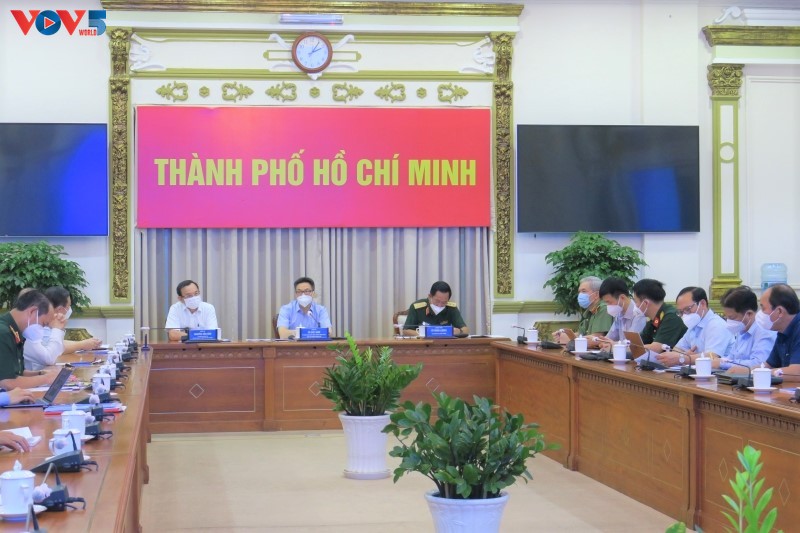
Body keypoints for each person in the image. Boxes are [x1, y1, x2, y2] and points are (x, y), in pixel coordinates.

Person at [24, 286, 102, 371]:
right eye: (68, 307)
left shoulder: (47, 324)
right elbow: (51, 353)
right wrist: (81, 344)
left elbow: (57, 343)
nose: (70, 310)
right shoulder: (36, 326)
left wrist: (84, 343)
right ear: (59, 309)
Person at [657, 286, 733, 367]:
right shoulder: (693, 325)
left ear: (702, 304)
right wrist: (685, 356)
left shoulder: (717, 325)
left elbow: (712, 357)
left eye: (688, 309)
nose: (685, 315)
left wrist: (684, 358)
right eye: (681, 312)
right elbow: (676, 350)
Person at [0, 289, 61, 389]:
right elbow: (7, 383)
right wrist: (47, 379)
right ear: (33, 311)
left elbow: (17, 373)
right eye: (43, 324)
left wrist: (41, 373)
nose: (43, 329)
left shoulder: (16, 331)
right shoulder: (3, 333)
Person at [716, 286, 776, 372]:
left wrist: (723, 363)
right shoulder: (742, 330)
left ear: (749, 314)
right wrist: (720, 361)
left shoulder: (764, 332)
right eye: (726, 317)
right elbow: (731, 358)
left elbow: (760, 364)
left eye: (732, 317)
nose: (729, 321)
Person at [631, 278, 687, 355]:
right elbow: (638, 342)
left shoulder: (671, 317)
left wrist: (625, 347)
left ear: (646, 303)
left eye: (636, 302)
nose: (635, 306)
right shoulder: (654, 319)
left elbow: (656, 348)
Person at [553, 276, 613, 346]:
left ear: (596, 294)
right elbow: (580, 335)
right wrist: (562, 336)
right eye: (579, 292)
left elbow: (596, 339)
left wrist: (571, 339)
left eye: (584, 291)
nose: (580, 295)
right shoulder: (589, 311)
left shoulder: (604, 309)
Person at [759, 284, 800, 383]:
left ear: (780, 311)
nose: (760, 313)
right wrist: (744, 372)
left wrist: (759, 374)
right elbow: (768, 366)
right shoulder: (782, 332)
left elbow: (797, 373)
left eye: (763, 308)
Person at [596, 276, 647, 352]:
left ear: (622, 298)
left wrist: (612, 345)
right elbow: (609, 338)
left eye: (609, 302)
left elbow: (632, 345)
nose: (607, 306)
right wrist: (602, 342)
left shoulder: (638, 315)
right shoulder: (619, 314)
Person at [402, 281, 468, 336]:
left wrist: (459, 331)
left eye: (444, 302)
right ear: (430, 296)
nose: (440, 305)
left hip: (445, 345)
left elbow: (465, 330)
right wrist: (427, 334)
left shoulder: (451, 308)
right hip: (423, 344)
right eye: (437, 301)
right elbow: (406, 331)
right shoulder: (417, 307)